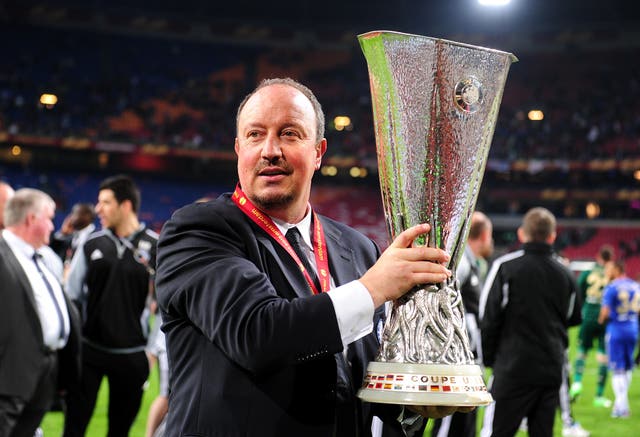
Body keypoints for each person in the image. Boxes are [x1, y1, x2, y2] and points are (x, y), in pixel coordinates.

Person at [155, 77, 472, 437]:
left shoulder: (357, 247)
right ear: (238, 148)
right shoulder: (198, 230)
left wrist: (413, 401)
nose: (269, 149)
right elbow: (256, 334)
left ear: (319, 152)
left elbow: (358, 370)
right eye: (255, 135)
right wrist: (371, 290)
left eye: (289, 133)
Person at [63, 174, 158, 437]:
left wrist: (152, 350)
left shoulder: (155, 246)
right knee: (73, 427)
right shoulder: (91, 242)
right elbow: (72, 296)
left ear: (125, 205)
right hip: (89, 351)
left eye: (105, 202)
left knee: (119, 431)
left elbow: (165, 307)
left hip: (132, 354)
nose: (97, 209)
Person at [479, 207, 581, 437]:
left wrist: (490, 359)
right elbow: (573, 317)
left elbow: (488, 318)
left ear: (521, 234)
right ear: (552, 236)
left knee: (497, 432)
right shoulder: (565, 272)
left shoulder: (505, 267)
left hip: (512, 367)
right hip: (550, 369)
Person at [0, 188, 81, 437]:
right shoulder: (3, 254)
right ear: (31, 219)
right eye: (49, 217)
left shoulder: (43, 258)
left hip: (45, 372)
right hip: (10, 375)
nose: (52, 225)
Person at [432, 210, 493, 437]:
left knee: (464, 422)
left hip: (467, 358)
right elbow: (444, 294)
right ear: (485, 235)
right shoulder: (462, 262)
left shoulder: (471, 262)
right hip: (458, 361)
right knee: (450, 422)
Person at [570, 245, 615, 408]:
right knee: (603, 356)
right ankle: (599, 396)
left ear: (598, 256)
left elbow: (577, 291)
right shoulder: (611, 274)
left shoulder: (588, 272)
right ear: (611, 259)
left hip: (588, 316)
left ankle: (576, 384)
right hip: (605, 319)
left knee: (582, 352)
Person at [598, 259, 640, 418]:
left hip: (616, 329)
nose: (607, 272)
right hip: (633, 328)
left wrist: (601, 320)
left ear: (617, 269)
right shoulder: (636, 285)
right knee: (628, 367)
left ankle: (622, 407)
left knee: (617, 369)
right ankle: (620, 405)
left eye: (609, 269)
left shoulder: (612, 287)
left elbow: (604, 313)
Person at [49, 202, 96, 271]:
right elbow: (52, 250)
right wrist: (63, 233)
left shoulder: (96, 238)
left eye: (75, 213)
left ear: (87, 216)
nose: (71, 217)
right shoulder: (69, 238)